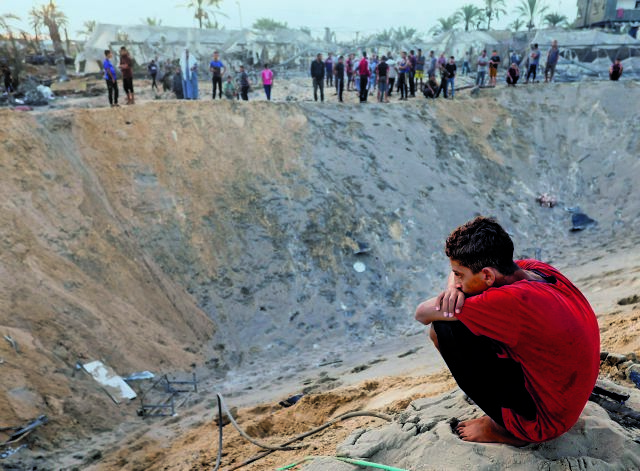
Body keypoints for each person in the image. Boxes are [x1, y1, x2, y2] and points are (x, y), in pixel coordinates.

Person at [415, 216, 599, 445]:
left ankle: (506, 429)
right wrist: (454, 285)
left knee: (443, 327)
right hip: (566, 398)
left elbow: (422, 314)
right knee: (458, 315)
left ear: (488, 276)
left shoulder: (509, 301)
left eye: (459, 275)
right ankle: (509, 414)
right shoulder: (535, 269)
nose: (457, 282)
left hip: (544, 422)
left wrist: (453, 294)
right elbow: (463, 280)